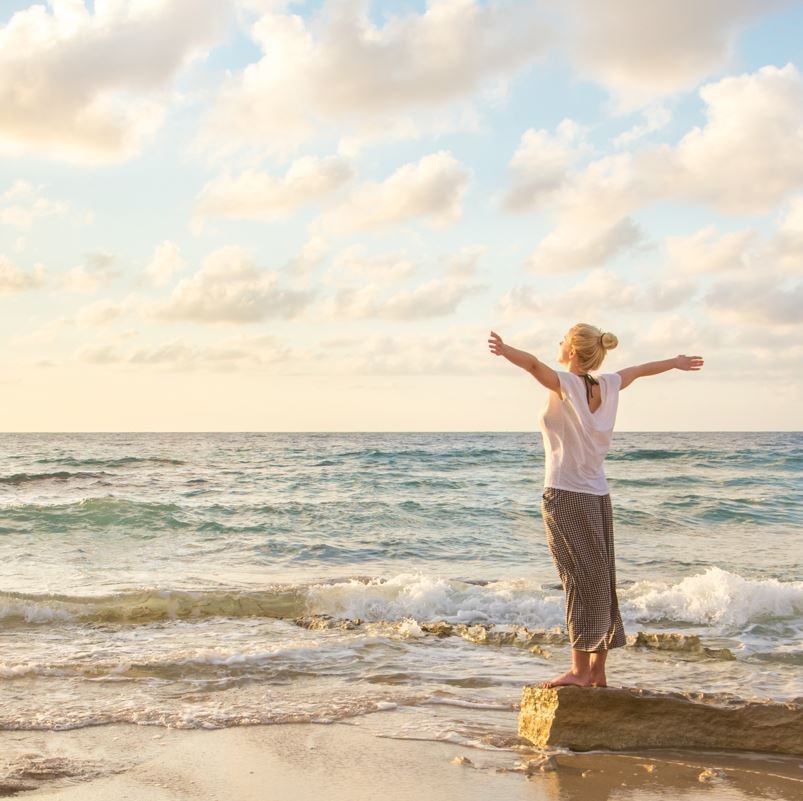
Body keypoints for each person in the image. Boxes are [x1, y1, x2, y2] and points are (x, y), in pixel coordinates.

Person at [488, 324, 703, 688]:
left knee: (577, 580)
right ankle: (597, 671)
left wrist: (506, 350)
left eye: (563, 342)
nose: (559, 346)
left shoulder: (566, 384)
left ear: (572, 350)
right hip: (598, 495)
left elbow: (534, 366)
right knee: (601, 580)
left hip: (565, 494)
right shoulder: (609, 384)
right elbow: (641, 369)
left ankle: (578, 671)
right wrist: (676, 362)